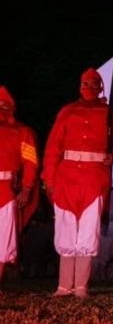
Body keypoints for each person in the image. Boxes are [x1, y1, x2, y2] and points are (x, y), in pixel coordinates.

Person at [42, 67, 113, 297]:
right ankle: (64, 285)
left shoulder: (110, 113)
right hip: (67, 179)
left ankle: (81, 286)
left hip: (94, 179)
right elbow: (53, 147)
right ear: (79, 87)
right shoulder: (68, 111)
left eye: (94, 85)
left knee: (87, 231)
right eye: (86, 85)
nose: (90, 89)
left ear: (100, 88)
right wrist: (49, 179)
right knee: (65, 229)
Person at [0, 87, 39, 290]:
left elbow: (30, 163)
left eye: (4, 105)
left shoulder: (22, 132)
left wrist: (25, 188)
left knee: (2, 240)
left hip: (6, 191)